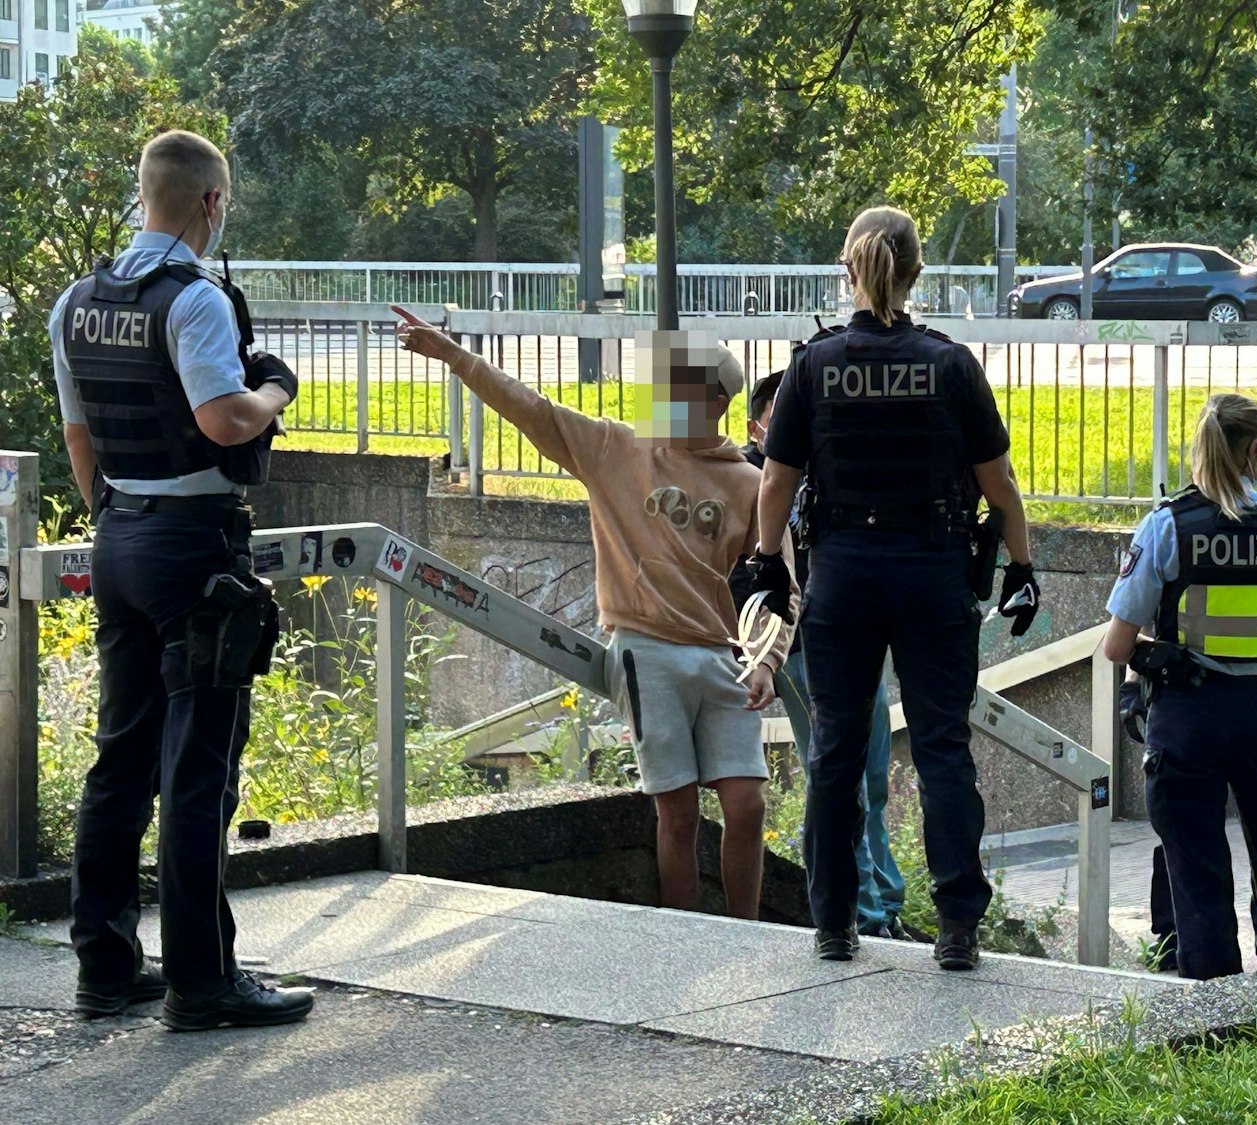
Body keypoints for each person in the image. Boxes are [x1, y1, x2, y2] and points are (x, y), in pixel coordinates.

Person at [393, 311, 789, 920]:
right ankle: (686, 933)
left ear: (713, 399)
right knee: (677, 809)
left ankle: (751, 930)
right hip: (645, 648)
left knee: (747, 804)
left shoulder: (748, 482)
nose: (657, 399)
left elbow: (778, 585)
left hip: (721, 657)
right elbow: (533, 409)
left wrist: (766, 659)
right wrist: (454, 357)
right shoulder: (615, 449)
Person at [49, 129, 313, 1030]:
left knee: (121, 761)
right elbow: (226, 418)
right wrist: (277, 386)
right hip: (195, 547)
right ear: (210, 202)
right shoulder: (193, 300)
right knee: (199, 768)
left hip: (118, 536)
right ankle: (203, 981)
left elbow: (79, 435)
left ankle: (106, 966)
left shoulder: (77, 300)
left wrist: (117, 516)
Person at [746, 205, 1039, 970]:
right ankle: (956, 930)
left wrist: (767, 565)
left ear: (850, 269)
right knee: (943, 749)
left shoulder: (813, 365)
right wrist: (1021, 567)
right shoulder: (950, 364)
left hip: (842, 572)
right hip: (934, 570)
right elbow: (999, 483)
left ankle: (835, 925)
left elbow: (776, 482)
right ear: (915, 273)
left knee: (836, 752)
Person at [1102, 393, 1257, 981]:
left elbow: (1116, 646)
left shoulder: (1167, 526)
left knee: (1197, 870)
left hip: (1187, 716)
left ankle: (1213, 1012)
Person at [742, 372, 918, 942]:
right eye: (781, 418)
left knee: (872, 776)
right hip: (797, 647)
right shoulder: (756, 484)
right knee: (840, 778)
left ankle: (882, 905)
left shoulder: (828, 474)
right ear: (756, 428)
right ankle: (863, 914)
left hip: (852, 637)